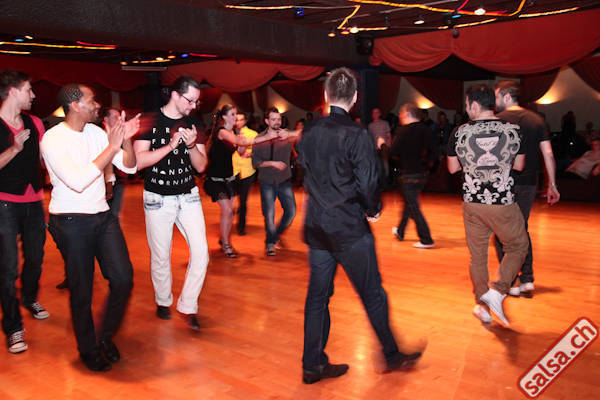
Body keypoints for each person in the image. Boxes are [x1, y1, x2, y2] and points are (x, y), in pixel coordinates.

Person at [297, 67, 422, 385]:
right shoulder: (356, 133)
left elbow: (305, 171)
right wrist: (373, 210)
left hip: (317, 226)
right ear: (354, 97)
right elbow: (368, 181)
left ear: (326, 95)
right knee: (372, 293)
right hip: (348, 228)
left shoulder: (308, 131)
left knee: (317, 297)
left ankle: (312, 364)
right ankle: (392, 354)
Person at [42, 83, 138, 371]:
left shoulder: (96, 133)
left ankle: (105, 336)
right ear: (75, 105)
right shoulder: (53, 139)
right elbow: (78, 181)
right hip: (71, 221)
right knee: (82, 289)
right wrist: (112, 145)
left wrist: (126, 140)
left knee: (123, 279)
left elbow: (130, 167)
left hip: (102, 216)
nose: (97, 105)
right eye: (92, 100)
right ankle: (88, 349)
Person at [447, 84, 528, 326]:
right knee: (518, 245)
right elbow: (520, 165)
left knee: (478, 256)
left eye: (466, 105)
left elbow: (452, 168)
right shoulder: (513, 130)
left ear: (474, 105)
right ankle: (498, 290)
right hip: (502, 202)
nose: (466, 109)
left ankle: (482, 306)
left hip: (472, 203)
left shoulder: (459, 132)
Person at [133, 76, 209, 330]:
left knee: (201, 253)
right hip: (157, 197)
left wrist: (191, 146)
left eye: (196, 102)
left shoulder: (194, 124)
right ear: (175, 95)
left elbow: (201, 166)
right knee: (160, 255)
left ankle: (188, 306)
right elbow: (138, 161)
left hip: (188, 195)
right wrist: (170, 145)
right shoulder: (150, 120)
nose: (193, 106)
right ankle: (163, 300)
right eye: (190, 100)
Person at [494, 80, 560, 296]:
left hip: (503, 182)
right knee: (521, 229)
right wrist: (552, 184)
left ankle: (511, 280)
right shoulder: (536, 120)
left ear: (506, 97)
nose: (495, 101)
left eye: (497, 96)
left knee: (501, 232)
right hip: (529, 182)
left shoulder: (496, 121)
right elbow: (548, 153)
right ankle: (527, 279)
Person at [0, 70, 48, 354]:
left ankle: (29, 298)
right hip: (4, 203)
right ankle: (13, 327)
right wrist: (14, 148)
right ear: (13, 91)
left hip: (34, 200)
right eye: (29, 89)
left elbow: (43, 159)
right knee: (7, 268)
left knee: (36, 258)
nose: (33, 95)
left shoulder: (35, 122)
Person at [204, 104, 279, 257]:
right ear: (224, 117)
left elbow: (240, 151)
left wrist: (242, 142)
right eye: (232, 114)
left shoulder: (233, 132)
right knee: (228, 210)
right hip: (216, 179)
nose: (235, 117)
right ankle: (226, 244)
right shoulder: (222, 132)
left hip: (229, 177)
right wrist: (266, 137)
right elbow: (241, 144)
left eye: (236, 114)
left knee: (229, 212)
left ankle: (223, 238)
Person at [390, 102, 437, 248]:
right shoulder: (426, 129)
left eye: (401, 114)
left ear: (407, 114)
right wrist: (427, 165)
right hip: (422, 174)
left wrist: (382, 145)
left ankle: (426, 239)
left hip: (409, 174)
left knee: (413, 206)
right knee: (409, 203)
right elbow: (434, 152)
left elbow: (393, 152)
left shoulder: (403, 131)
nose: (400, 117)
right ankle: (401, 231)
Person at [252, 107, 296, 256]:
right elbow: (255, 163)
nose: (277, 122)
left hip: (284, 180)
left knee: (291, 212)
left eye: (279, 119)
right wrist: (272, 163)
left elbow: (303, 134)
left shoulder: (286, 135)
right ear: (266, 121)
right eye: (273, 119)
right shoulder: (259, 139)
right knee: (269, 215)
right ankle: (270, 243)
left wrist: (290, 134)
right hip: (267, 182)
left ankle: (275, 235)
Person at [232, 112, 258, 236]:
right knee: (230, 201)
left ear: (245, 121)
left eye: (241, 119)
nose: (238, 122)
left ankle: (241, 227)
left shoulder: (253, 134)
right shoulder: (229, 133)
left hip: (247, 171)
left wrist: (251, 154)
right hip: (232, 170)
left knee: (243, 201)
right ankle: (228, 223)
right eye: (236, 119)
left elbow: (260, 151)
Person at [367, 107, 391, 185]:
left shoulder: (385, 123)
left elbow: (388, 135)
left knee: (385, 163)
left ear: (379, 114)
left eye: (377, 112)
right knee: (378, 164)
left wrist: (389, 145)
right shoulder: (370, 125)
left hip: (384, 147)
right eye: (373, 113)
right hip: (375, 148)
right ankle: (380, 181)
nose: (375, 114)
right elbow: (370, 137)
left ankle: (386, 180)